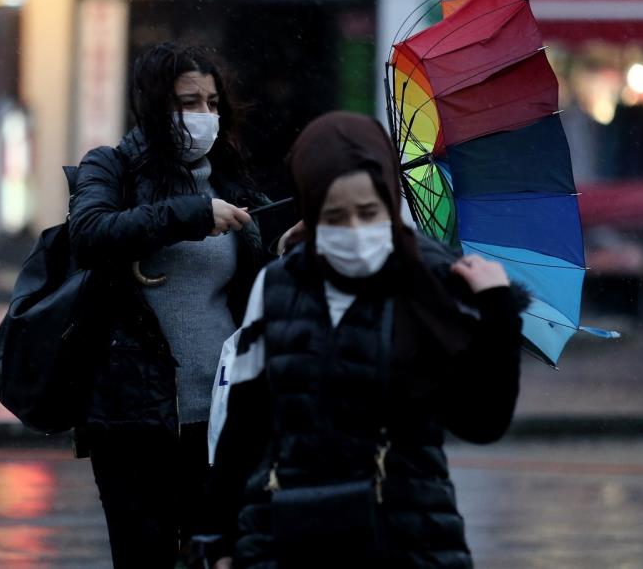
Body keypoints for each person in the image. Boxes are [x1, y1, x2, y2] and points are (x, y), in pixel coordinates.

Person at [210, 111, 529, 568]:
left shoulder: (433, 281)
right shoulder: (278, 285)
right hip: (288, 537)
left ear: (389, 203)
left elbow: (482, 422)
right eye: (335, 217)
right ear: (310, 213)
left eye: (368, 212)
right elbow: (245, 426)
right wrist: (218, 539)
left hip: (406, 538)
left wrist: (498, 311)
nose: (356, 231)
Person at [67, 43, 273, 568]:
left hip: (222, 417)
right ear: (154, 105)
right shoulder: (112, 168)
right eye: (187, 102)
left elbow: (258, 273)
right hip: (135, 418)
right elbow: (88, 233)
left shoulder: (231, 179)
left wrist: (286, 246)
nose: (203, 115)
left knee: (218, 555)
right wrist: (193, 214)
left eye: (210, 101)